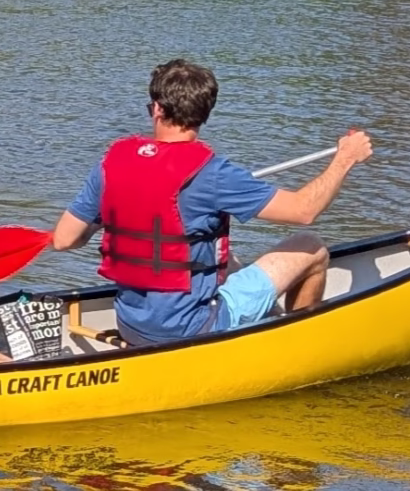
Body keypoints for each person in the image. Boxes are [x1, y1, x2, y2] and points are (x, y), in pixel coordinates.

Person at [50, 58, 373, 345]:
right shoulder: (215, 173)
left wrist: (119, 214)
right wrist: (345, 158)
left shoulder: (112, 164)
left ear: (158, 108)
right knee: (311, 247)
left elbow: (64, 240)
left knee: (224, 256)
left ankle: (262, 316)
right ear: (205, 113)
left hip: (132, 325)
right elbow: (304, 211)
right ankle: (297, 345)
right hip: (195, 329)